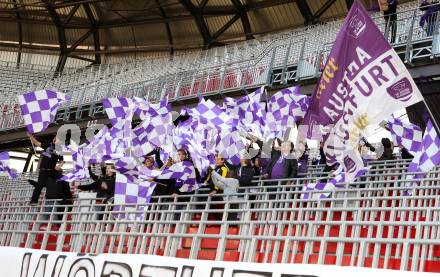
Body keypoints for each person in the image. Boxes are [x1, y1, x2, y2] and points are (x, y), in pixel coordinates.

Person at [27, 133, 64, 205]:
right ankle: (33, 201)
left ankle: (66, 195)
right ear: (54, 140)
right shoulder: (47, 145)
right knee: (39, 185)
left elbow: (62, 162)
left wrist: (59, 166)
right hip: (44, 170)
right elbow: (37, 143)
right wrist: (31, 136)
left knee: (63, 180)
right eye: (56, 138)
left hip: (52, 171)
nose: (57, 139)